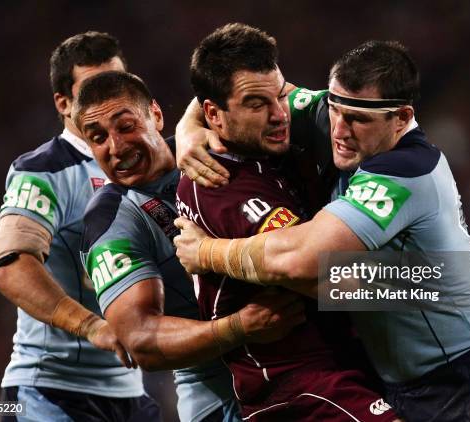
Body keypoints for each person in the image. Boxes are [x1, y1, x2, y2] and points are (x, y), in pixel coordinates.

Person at [174, 41, 470, 421]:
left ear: (401, 118)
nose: (339, 130)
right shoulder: (334, 113)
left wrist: (208, 254)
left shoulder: (407, 172)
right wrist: (189, 127)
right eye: (335, 110)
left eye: (357, 120)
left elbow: (300, 262)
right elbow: (242, 83)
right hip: (399, 387)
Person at [175, 24, 399, 422]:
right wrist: (423, 285)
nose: (280, 114)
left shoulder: (268, 146)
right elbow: (318, 273)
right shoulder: (220, 185)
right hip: (297, 385)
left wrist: (188, 122)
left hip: (344, 364)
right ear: (215, 113)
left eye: (279, 95)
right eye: (257, 104)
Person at [73, 70, 306, 422]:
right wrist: (238, 326)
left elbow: (267, 87)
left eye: (125, 126)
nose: (116, 147)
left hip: (319, 350)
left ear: (156, 114)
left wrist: (192, 118)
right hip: (227, 399)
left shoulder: (215, 141)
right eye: (98, 137)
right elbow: (140, 339)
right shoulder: (110, 220)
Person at [0, 32, 160, 420]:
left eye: (119, 83)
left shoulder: (152, 164)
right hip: (53, 391)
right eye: (93, 89)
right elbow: (11, 268)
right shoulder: (44, 172)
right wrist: (91, 326)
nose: (110, 97)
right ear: (64, 104)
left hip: (134, 392)